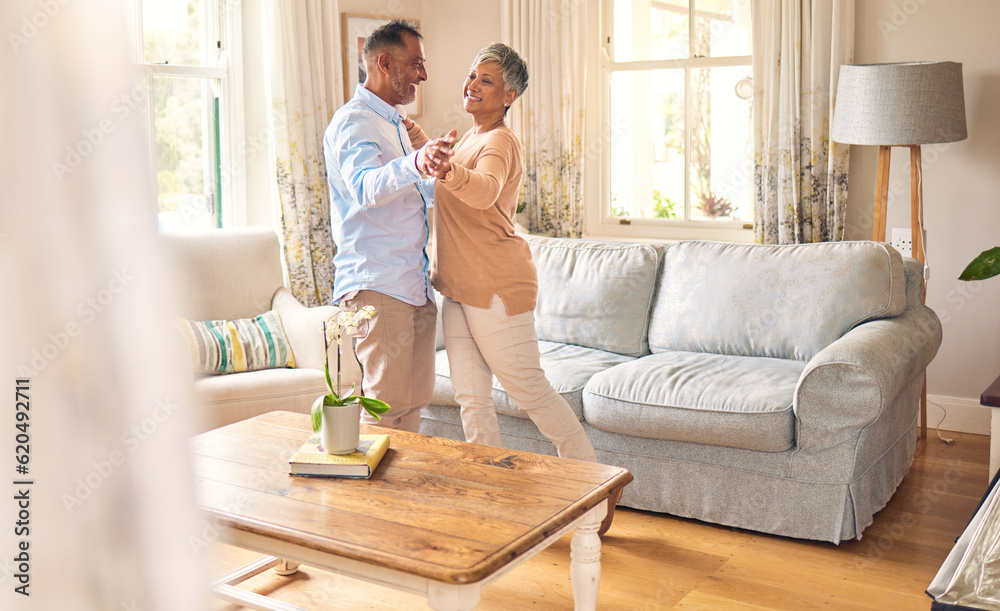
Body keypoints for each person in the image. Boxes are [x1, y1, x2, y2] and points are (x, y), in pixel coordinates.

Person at [425, 44, 597, 463]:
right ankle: (489, 488)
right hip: (459, 288)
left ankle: (594, 483)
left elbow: (483, 191)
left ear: (508, 97)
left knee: (527, 389)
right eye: (471, 75)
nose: (473, 85)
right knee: (471, 397)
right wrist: (419, 141)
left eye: (487, 81)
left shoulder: (500, 142)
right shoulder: (470, 136)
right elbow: (442, 159)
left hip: (497, 286)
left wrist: (448, 171)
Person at [323, 20, 454, 432]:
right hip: (376, 285)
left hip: (412, 284)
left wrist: (441, 173)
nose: (423, 74)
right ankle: (368, 499)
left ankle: (404, 497)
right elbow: (364, 188)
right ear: (384, 62)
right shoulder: (354, 122)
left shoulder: (395, 125)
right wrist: (416, 161)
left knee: (413, 403)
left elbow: (412, 192)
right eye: (416, 63)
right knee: (384, 407)